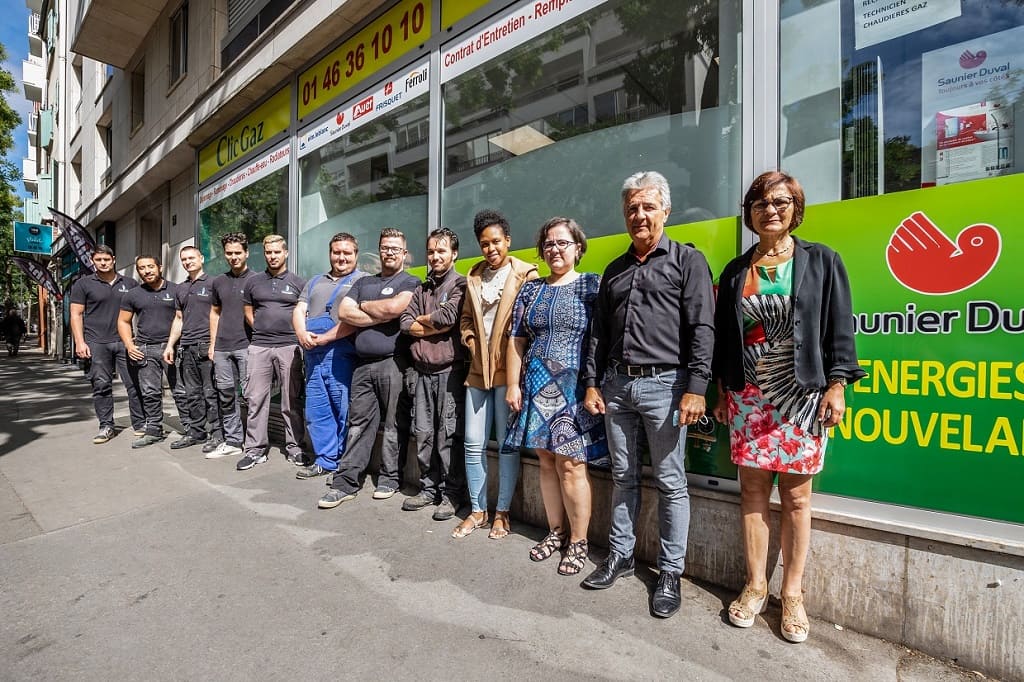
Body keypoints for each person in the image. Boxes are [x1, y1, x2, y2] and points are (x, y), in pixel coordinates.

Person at [712, 170, 865, 643]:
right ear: (750, 214)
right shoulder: (736, 270)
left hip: (801, 397)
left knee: (797, 498)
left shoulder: (822, 261)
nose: (769, 209)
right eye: (759, 203)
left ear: (795, 209)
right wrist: (722, 392)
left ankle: (792, 594)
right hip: (747, 398)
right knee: (753, 493)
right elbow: (723, 339)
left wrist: (836, 386)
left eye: (779, 202)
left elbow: (840, 330)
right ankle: (756, 585)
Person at [581, 171, 715, 619]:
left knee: (672, 481)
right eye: (633, 208)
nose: (640, 215)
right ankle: (620, 556)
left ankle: (670, 572)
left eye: (648, 207)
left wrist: (697, 387)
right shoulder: (615, 270)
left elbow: (702, 328)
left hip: (667, 387)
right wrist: (593, 382)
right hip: (617, 386)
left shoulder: (686, 261)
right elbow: (598, 332)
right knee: (623, 476)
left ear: (666, 211)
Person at [504, 218, 605, 575]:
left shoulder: (592, 285)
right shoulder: (530, 290)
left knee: (572, 464)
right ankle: (555, 531)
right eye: (548, 244)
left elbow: (602, 340)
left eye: (562, 243)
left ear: (578, 247)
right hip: (535, 383)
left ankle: (579, 541)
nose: (555, 250)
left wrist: (596, 385)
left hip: (575, 387)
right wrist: (513, 384)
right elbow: (516, 339)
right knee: (546, 460)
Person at [317, 228, 419, 509]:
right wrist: (379, 312)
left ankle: (389, 478)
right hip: (362, 366)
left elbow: (397, 308)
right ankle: (346, 482)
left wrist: (366, 309)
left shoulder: (411, 281)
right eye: (385, 247)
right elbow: (344, 312)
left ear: (404, 253)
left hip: (393, 363)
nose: (389, 252)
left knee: (393, 424)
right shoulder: (364, 282)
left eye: (395, 248)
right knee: (358, 424)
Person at [452, 209, 538, 539]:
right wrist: (472, 343)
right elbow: (466, 322)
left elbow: (531, 324)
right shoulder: (472, 276)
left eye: (497, 242)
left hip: (508, 373)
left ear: (508, 241)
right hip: (477, 371)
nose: (491, 249)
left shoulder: (524, 274)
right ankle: (478, 511)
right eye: (485, 244)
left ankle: (502, 512)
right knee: (473, 443)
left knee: (506, 445)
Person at [399, 227, 468, 521]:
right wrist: (430, 325)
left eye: (441, 251)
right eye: (431, 251)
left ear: (453, 254)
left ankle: (453, 495)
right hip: (422, 373)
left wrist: (425, 322)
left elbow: (448, 318)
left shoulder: (460, 285)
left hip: (450, 373)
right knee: (424, 434)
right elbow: (404, 323)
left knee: (448, 437)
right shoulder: (422, 289)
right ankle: (430, 489)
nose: (435, 256)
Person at [292, 233, 366, 479]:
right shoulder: (314, 281)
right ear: (330, 253)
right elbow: (299, 309)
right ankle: (325, 460)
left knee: (344, 409)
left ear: (355, 254)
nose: (341, 257)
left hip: (341, 354)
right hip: (312, 355)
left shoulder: (362, 281)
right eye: (337, 252)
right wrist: (301, 332)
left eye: (347, 252)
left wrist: (326, 337)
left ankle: (345, 462)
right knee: (317, 410)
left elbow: (356, 320)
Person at [235, 234, 307, 471]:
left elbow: (303, 312)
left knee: (291, 399)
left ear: (285, 253)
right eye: (268, 252)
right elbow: (248, 309)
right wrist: (262, 329)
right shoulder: (254, 282)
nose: (273, 256)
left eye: (277, 252)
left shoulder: (298, 282)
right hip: (259, 346)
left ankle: (295, 447)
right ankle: (255, 449)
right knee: (255, 399)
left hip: (289, 346)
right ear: (264, 254)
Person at [69, 244, 144, 444]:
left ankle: (140, 423)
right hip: (96, 342)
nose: (103, 263)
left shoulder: (130, 283)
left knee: (134, 384)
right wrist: (80, 342)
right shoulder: (83, 284)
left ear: (113, 259)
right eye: (98, 260)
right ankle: (106, 426)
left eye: (106, 259)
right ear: (93, 261)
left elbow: (143, 311)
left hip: (125, 342)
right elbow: (76, 314)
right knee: (101, 385)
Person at [118, 255, 180, 449]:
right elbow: (123, 321)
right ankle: (153, 430)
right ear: (138, 271)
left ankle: (193, 429)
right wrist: (129, 345)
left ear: (159, 267)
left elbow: (183, 318)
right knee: (150, 392)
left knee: (181, 390)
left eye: (151, 266)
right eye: (142, 268)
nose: (147, 271)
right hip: (145, 349)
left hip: (173, 348)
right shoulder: (133, 294)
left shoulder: (176, 290)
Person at [163, 246, 221, 451]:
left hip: (208, 346)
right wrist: (170, 345)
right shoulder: (180, 288)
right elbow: (179, 319)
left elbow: (220, 315)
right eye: (184, 259)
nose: (188, 262)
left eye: (191, 258)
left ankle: (217, 435)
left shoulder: (215, 283)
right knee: (192, 394)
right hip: (186, 347)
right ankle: (196, 433)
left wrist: (215, 344)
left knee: (211, 393)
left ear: (202, 258)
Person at [206, 233, 255, 460]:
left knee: (251, 396)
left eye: (238, 253)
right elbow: (215, 313)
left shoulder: (257, 279)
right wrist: (213, 345)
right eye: (229, 253)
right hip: (222, 349)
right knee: (226, 395)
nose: (233, 257)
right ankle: (234, 440)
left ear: (246, 253)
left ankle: (255, 444)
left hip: (247, 346)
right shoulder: (218, 282)